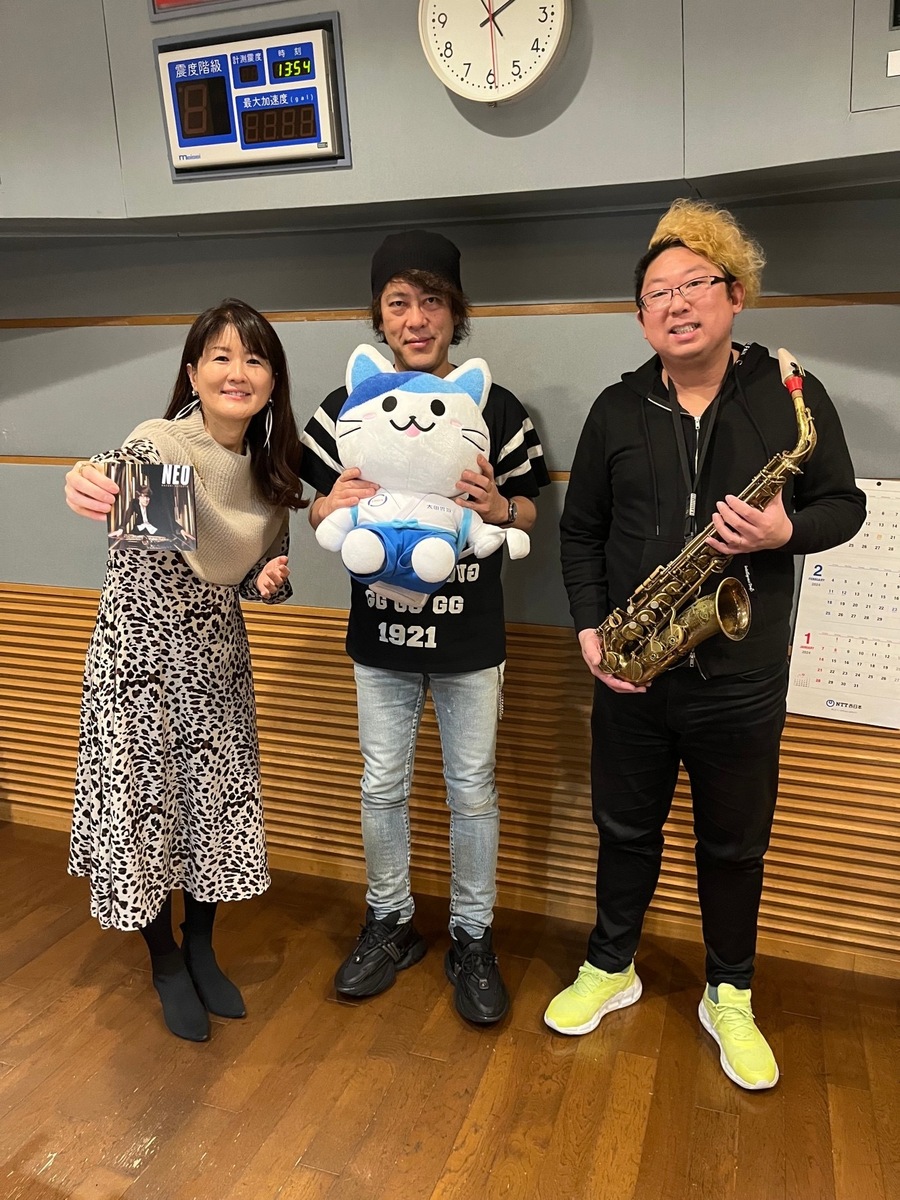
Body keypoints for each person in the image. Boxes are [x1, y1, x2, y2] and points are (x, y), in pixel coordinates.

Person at [545, 200, 866, 1089]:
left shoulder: (788, 395)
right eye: (658, 293)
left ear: (735, 294)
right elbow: (581, 532)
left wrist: (782, 533)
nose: (677, 303)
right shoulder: (617, 408)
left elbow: (846, 507)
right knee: (623, 830)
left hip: (742, 674)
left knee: (734, 844)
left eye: (696, 283)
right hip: (634, 667)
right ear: (640, 316)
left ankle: (730, 991)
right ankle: (611, 965)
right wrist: (591, 628)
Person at [300, 230, 549, 1023]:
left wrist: (500, 508)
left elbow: (531, 507)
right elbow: (313, 509)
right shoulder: (345, 405)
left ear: (456, 313)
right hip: (379, 640)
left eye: (432, 301)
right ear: (379, 315)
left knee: (472, 790)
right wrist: (328, 505)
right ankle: (390, 922)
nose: (416, 319)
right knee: (382, 784)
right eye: (399, 303)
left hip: (471, 639)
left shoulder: (493, 405)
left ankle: (473, 937)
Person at [64, 298, 306, 1042]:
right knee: (145, 811)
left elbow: (242, 570)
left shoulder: (269, 470)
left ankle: (201, 944)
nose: (238, 372)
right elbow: (113, 485)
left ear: (273, 380)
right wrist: (85, 478)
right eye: (221, 357)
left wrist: (266, 580)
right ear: (193, 372)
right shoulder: (163, 444)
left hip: (217, 663)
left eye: (255, 359)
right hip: (139, 666)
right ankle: (164, 959)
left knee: (214, 807)